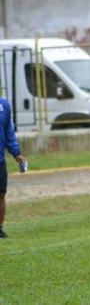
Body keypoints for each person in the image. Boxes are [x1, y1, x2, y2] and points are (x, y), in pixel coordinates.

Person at [0, 97, 26, 238]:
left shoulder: (3, 105)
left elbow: (8, 132)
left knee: (1, 195)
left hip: (0, 161)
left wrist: (16, 153)